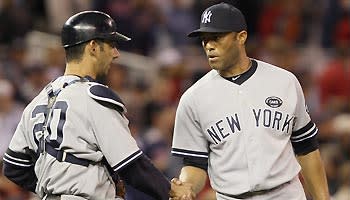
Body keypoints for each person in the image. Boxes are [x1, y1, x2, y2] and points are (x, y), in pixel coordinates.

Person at [2, 11, 193, 200]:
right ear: (93, 46)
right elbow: (132, 165)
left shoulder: (38, 101)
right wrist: (171, 191)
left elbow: (14, 168)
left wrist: (56, 185)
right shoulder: (93, 96)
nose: (116, 53)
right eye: (111, 45)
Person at [171, 2, 330, 200]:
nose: (209, 46)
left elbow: (307, 148)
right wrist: (187, 186)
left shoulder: (284, 81)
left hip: (285, 194)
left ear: (241, 37)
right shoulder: (193, 98)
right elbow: (194, 163)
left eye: (217, 38)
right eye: (204, 40)